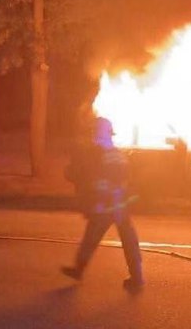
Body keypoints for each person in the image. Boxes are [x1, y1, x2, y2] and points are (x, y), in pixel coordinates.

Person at [62, 116, 144, 293]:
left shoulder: (108, 154)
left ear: (103, 133)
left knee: (100, 237)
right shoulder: (110, 153)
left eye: (96, 131)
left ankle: (79, 270)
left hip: (110, 205)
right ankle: (136, 277)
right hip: (116, 205)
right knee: (122, 239)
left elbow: (113, 181)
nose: (93, 134)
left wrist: (101, 201)